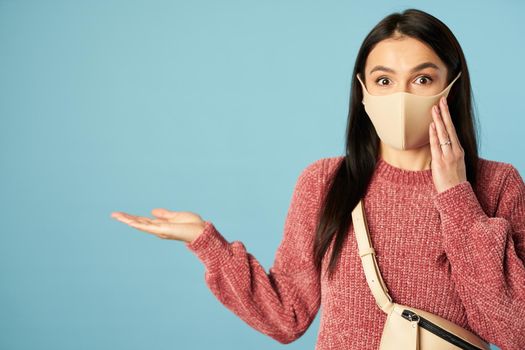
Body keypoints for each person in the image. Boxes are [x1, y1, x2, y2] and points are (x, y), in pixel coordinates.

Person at [110, 8, 525, 350]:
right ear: (363, 92)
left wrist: (456, 195)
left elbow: (513, 330)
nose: (401, 95)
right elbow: (287, 316)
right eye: (384, 80)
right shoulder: (324, 181)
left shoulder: (497, 185)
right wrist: (206, 241)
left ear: (450, 87)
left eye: (422, 79)